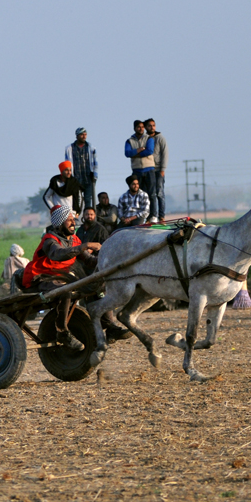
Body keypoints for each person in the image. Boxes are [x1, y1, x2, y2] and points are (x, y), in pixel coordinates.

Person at [21, 205, 127, 350]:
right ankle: (62, 332)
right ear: (59, 223)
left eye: (73, 219)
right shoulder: (49, 240)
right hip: (40, 279)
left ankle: (110, 327)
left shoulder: (74, 240)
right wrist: (86, 245)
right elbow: (58, 254)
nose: (73, 222)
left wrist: (109, 259)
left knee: (98, 284)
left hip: (61, 278)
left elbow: (89, 260)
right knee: (65, 290)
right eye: (69, 220)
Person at [124, 120, 158, 222]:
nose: (141, 129)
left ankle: (153, 216)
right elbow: (127, 153)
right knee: (140, 194)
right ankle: (142, 216)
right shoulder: (129, 141)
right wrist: (139, 150)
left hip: (149, 169)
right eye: (139, 127)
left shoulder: (149, 138)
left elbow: (149, 151)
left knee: (152, 193)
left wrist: (135, 154)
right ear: (135, 128)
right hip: (137, 170)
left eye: (143, 127)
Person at [63, 127, 98, 210]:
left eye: (85, 134)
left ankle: (88, 218)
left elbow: (95, 163)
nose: (84, 136)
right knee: (76, 200)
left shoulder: (91, 147)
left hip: (88, 178)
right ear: (77, 136)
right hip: (76, 179)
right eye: (82, 135)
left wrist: (95, 175)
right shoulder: (69, 148)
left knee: (88, 200)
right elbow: (67, 163)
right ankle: (76, 219)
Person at [145, 119, 167, 222]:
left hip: (158, 169)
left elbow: (165, 154)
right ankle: (152, 216)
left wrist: (163, 169)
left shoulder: (161, 138)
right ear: (146, 127)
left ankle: (161, 216)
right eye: (149, 126)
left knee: (160, 193)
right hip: (149, 169)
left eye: (153, 125)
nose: (152, 127)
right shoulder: (145, 139)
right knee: (151, 193)